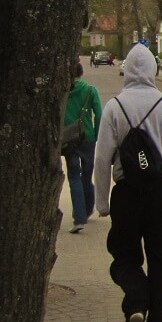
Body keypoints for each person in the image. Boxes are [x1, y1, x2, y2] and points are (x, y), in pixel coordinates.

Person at [94, 44, 162, 322]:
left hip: (125, 194)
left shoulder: (114, 107)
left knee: (124, 254)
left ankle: (136, 301)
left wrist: (101, 202)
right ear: (153, 71)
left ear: (126, 72)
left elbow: (101, 159)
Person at [63, 60, 103, 233]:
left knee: (74, 177)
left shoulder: (63, 93)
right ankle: (87, 209)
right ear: (81, 73)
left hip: (69, 139)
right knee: (86, 176)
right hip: (88, 138)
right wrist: (97, 134)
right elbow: (100, 115)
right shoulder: (90, 90)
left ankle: (79, 219)